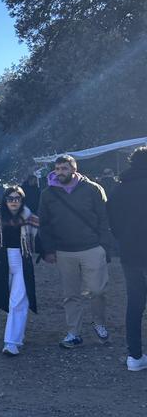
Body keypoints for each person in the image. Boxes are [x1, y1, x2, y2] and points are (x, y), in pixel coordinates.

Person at [39, 155, 114, 349]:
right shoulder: (48, 194)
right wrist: (48, 249)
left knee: (97, 291)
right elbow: (44, 224)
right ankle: (74, 332)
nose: (60, 172)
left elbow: (104, 219)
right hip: (64, 250)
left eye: (64, 168)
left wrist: (105, 246)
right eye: (57, 168)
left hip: (92, 247)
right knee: (70, 294)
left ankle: (99, 324)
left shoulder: (93, 189)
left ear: (74, 169)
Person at [0, 186, 44, 356]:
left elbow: (38, 239)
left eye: (18, 198)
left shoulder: (30, 217)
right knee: (4, 298)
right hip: (0, 260)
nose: (14, 201)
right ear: (5, 200)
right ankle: (16, 334)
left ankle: (11, 342)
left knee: (19, 301)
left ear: (22, 200)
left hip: (22, 259)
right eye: (10, 198)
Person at [107, 146, 147, 371]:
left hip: (130, 254)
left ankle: (134, 356)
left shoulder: (119, 189)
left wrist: (123, 239)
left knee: (134, 305)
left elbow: (111, 219)